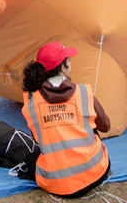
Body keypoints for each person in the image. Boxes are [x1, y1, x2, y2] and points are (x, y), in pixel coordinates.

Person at [21, 41, 110, 198]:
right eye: (69, 60)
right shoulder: (84, 92)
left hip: (55, 182)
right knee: (92, 127)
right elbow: (106, 126)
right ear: (64, 68)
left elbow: (38, 139)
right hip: (95, 172)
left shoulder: (31, 102)